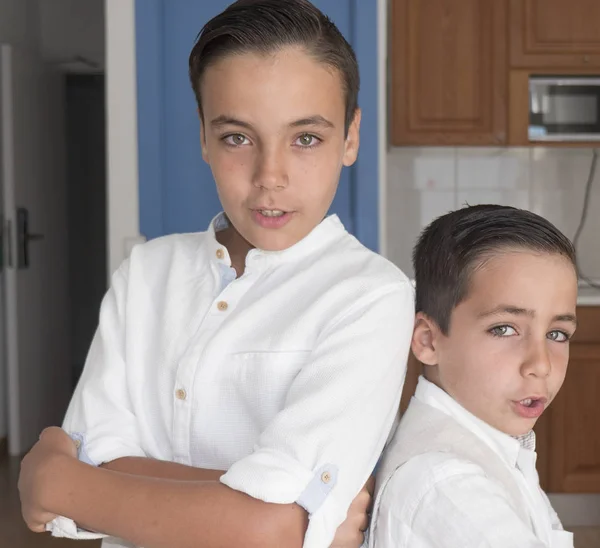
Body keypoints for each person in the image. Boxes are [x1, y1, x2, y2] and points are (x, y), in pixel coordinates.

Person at [18, 1, 415, 547]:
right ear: (204, 136)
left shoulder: (372, 297)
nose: (269, 176)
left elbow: (273, 533)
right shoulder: (147, 273)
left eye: (305, 138)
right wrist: (266, 514)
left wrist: (67, 484)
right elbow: (279, 523)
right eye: (237, 137)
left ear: (350, 137)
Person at [368, 204, 577, 548]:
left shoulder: (493, 443)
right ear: (427, 340)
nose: (541, 364)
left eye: (557, 334)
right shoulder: (449, 487)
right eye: (505, 329)